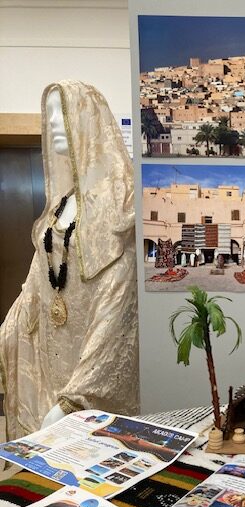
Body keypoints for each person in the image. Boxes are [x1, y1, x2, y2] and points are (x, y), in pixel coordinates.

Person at [0, 80, 139, 439]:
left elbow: (117, 312)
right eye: (49, 115)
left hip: (88, 369)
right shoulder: (61, 206)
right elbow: (34, 289)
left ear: (88, 120)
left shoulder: (118, 207)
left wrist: (74, 399)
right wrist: (7, 335)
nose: (52, 124)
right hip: (50, 363)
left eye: (61, 113)